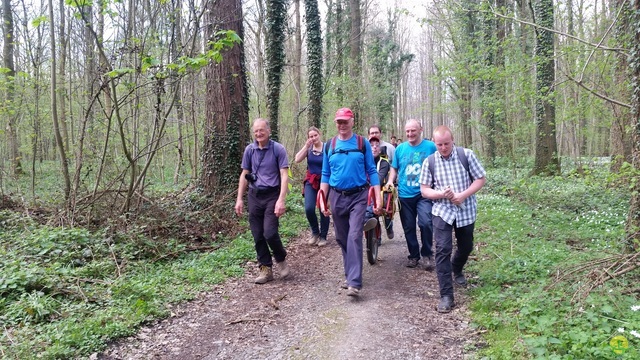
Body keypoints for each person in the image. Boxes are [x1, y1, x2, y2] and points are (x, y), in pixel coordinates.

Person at [420, 125, 486, 313]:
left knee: (466, 246)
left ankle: (456, 268)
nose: (443, 148)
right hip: (442, 211)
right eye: (439, 144)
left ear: (453, 140)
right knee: (442, 249)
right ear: (434, 143)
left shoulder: (467, 155)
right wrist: (441, 193)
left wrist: (463, 195)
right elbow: (424, 189)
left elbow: (480, 179)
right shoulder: (430, 162)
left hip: (466, 210)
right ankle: (446, 295)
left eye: (446, 144)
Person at [320, 107, 382, 297]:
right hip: (336, 196)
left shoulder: (362, 143)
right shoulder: (329, 146)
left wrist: (378, 196)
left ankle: (354, 282)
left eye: (345, 121)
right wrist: (323, 200)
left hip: (358, 196)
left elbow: (372, 171)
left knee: (355, 235)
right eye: (339, 121)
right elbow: (325, 174)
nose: (342, 125)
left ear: (352, 121)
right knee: (342, 237)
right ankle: (350, 275)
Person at [235, 118, 291, 284]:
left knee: (270, 233)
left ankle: (280, 258)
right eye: (256, 131)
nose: (259, 133)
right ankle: (265, 269)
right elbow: (244, 175)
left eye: (262, 130)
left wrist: (281, 199)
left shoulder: (278, 149)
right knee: (257, 234)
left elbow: (284, 175)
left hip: (272, 195)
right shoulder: (249, 150)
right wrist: (239, 199)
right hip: (254, 195)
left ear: (269, 130)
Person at [385, 119, 437, 269]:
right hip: (405, 195)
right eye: (407, 131)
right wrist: (390, 181)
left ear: (421, 130)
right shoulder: (400, 149)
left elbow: (439, 164)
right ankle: (413, 255)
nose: (410, 134)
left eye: (413, 130)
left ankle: (427, 254)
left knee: (425, 223)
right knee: (408, 226)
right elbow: (394, 168)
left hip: (424, 193)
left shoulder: (430, 147)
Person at [294, 126, 330, 247]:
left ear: (319, 134)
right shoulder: (308, 149)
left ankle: (323, 236)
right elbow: (297, 159)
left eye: (315, 135)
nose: (314, 138)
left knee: (323, 208)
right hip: (311, 180)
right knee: (309, 208)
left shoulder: (326, 147)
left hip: (325, 181)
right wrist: (306, 146)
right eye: (311, 136)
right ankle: (315, 232)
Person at [363, 135, 391, 246]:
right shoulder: (363, 160)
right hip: (365, 190)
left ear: (380, 149)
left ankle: (368, 224)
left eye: (377, 145)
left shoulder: (384, 163)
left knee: (372, 206)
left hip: (380, 191)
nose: (374, 147)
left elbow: (378, 180)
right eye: (371, 145)